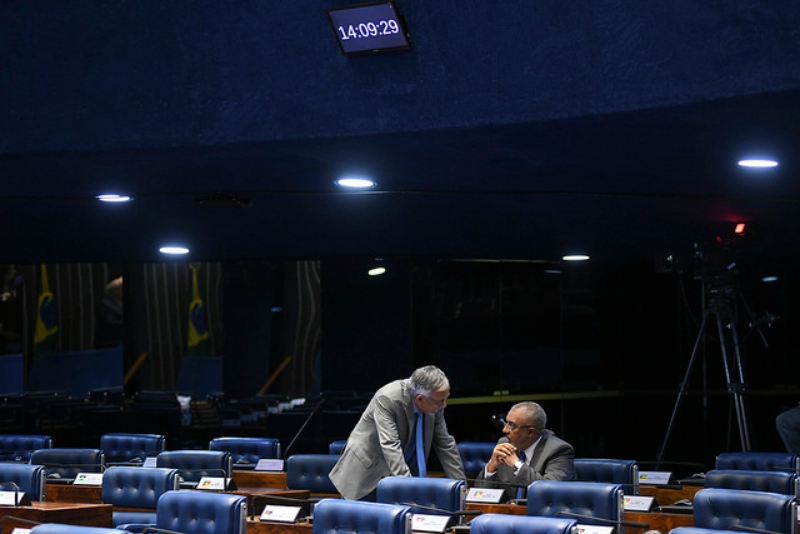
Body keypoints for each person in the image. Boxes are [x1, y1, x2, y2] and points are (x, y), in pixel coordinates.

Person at [329, 365, 466, 500]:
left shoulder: (434, 403)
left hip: (401, 472)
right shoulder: (388, 398)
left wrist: (461, 488)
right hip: (367, 472)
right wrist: (410, 488)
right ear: (419, 398)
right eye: (440, 401)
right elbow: (390, 445)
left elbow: (445, 443)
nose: (444, 405)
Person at [474, 401, 575, 502]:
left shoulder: (559, 450)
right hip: (506, 514)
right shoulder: (505, 443)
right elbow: (478, 495)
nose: (504, 430)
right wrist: (491, 467)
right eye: (506, 423)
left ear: (531, 432)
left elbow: (549, 492)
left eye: (512, 426)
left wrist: (516, 464)